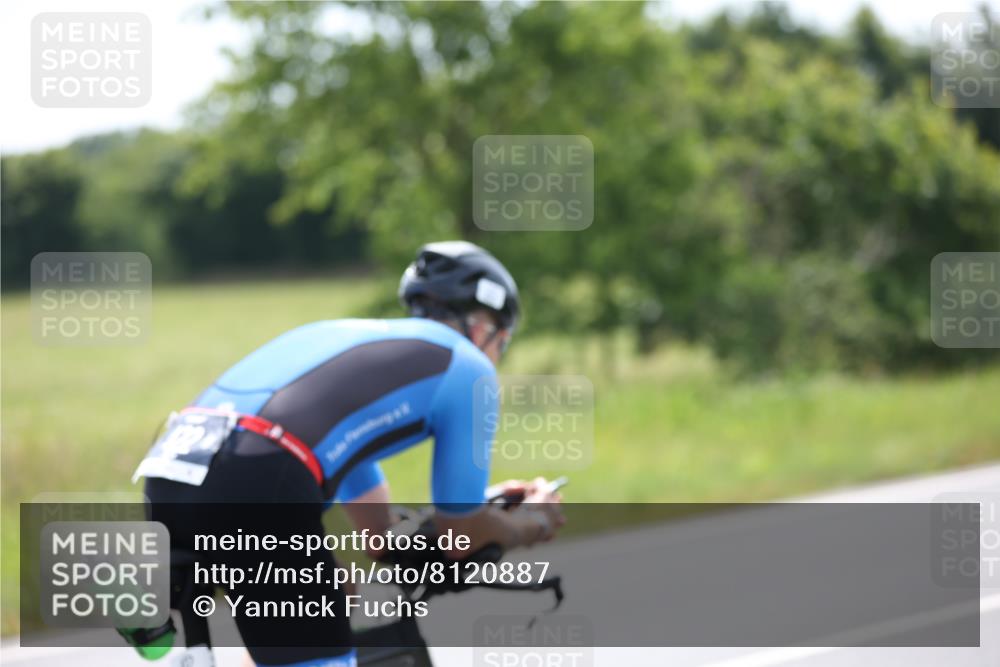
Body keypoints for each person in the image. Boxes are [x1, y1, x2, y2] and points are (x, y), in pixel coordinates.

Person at [137, 240, 565, 667]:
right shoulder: (468, 366)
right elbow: (460, 537)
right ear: (482, 325)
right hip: (262, 474)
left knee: (330, 595)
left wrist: (483, 504)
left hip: (175, 467)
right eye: (502, 341)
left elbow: (380, 537)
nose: (496, 355)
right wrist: (533, 522)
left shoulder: (356, 349)